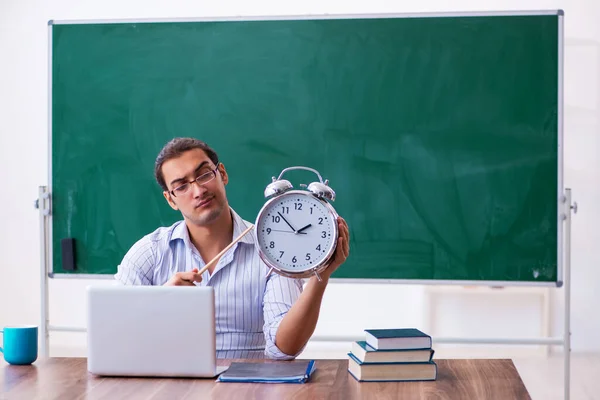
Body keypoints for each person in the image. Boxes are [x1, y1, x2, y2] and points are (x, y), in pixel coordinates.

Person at [115, 137, 350, 360]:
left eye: (204, 174)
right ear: (170, 199)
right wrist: (161, 301)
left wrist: (322, 276)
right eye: (182, 186)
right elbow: (116, 338)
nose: (198, 191)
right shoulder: (148, 253)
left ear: (222, 174)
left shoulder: (272, 252)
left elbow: (284, 349)